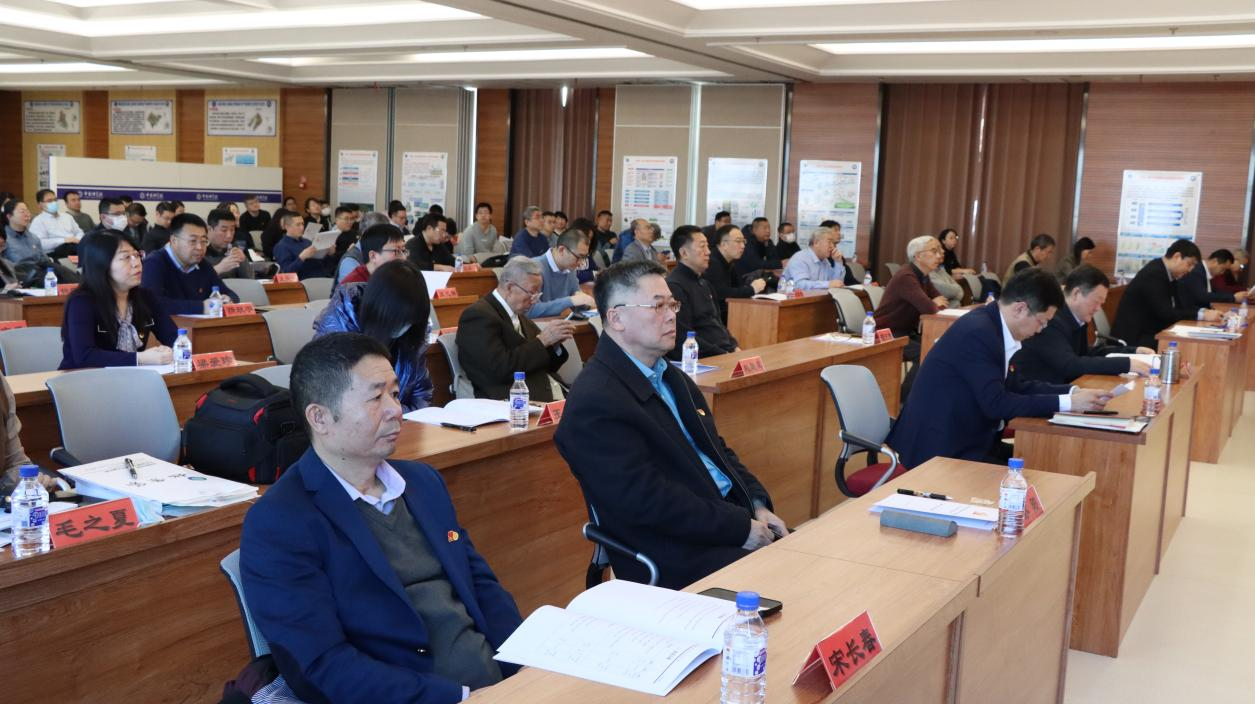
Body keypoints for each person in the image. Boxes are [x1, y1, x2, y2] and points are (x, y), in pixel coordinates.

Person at [240, 332, 523, 704]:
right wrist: (460, 696)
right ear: (320, 418)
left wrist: (523, 666)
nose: (396, 410)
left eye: (395, 393)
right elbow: (322, 666)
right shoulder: (280, 521)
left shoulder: (423, 482)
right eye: (376, 398)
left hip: (501, 686)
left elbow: (482, 586)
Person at [554, 259, 784, 588]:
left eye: (672, 304)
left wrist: (757, 504)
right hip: (675, 552)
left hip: (722, 522)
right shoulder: (596, 400)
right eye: (657, 306)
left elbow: (717, 451)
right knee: (795, 584)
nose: (671, 315)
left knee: (818, 559)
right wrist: (739, 527)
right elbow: (648, 501)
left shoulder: (670, 376)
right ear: (616, 318)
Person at [887, 268, 1112, 468]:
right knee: (1034, 475)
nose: (1042, 329)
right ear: (1020, 309)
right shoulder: (979, 333)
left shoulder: (995, 325)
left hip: (971, 438)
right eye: (1042, 321)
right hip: (940, 449)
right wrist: (1069, 404)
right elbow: (996, 403)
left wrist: (1073, 393)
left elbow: (1017, 386)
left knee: (1045, 462)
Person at [313, 260, 434, 412]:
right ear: (380, 311)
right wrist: (392, 414)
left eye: (410, 321)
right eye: (400, 320)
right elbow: (335, 404)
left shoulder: (410, 337)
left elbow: (421, 395)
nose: (405, 327)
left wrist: (399, 416)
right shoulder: (337, 338)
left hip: (399, 423)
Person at [1013, 265, 1154, 385]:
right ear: (1076, 293)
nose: (1098, 309)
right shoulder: (1051, 319)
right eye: (1096, 302)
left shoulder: (1073, 317)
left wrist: (1132, 351)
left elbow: (1084, 353)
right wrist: (1127, 364)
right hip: (1039, 394)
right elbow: (1070, 365)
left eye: (1101, 304)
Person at [456, 256, 572, 402]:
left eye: (538, 294)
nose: (535, 300)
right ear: (510, 287)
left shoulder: (519, 315)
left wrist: (553, 344)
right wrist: (542, 341)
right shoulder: (478, 316)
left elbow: (546, 365)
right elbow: (498, 369)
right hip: (516, 402)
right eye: (531, 293)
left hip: (554, 391)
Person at [60, 230, 176, 370]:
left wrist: (170, 351)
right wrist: (140, 358)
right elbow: (85, 356)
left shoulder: (146, 297)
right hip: (81, 379)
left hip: (129, 378)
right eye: (126, 257)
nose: (137, 263)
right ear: (101, 264)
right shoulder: (81, 302)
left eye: (137, 255)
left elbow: (175, 338)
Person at [1112, 239, 1222, 349]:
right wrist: (1202, 315)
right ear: (1177, 257)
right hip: (1134, 339)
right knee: (1184, 347)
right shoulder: (1154, 274)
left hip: (1150, 331)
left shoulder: (1168, 273)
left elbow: (1180, 306)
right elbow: (1166, 313)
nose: (1190, 270)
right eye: (1189, 264)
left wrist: (1203, 312)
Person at [876, 235, 949, 400]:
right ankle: (905, 400)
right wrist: (932, 303)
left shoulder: (923, 276)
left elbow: (942, 303)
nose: (939, 255)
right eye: (934, 251)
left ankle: (925, 397)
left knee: (941, 349)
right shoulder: (906, 277)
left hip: (906, 331)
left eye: (939, 250)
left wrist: (933, 303)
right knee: (928, 353)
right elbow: (930, 307)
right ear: (918, 256)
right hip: (887, 333)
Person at [141, 213, 239, 314]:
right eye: (193, 241)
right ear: (174, 240)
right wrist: (201, 307)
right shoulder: (154, 263)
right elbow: (152, 303)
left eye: (204, 241)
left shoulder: (202, 264)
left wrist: (228, 299)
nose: (200, 247)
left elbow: (228, 292)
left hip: (201, 323)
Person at [666, 226, 738, 359]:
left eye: (708, 246)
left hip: (723, 353)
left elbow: (717, 323)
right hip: (701, 359)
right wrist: (723, 354)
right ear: (684, 253)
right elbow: (682, 335)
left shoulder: (705, 284)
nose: (708, 252)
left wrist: (734, 346)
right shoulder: (674, 286)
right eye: (702, 246)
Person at [526, 229, 596, 319]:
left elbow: (577, 302)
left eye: (584, 258)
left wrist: (586, 303)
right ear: (562, 250)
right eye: (579, 257)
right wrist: (569, 301)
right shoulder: (533, 267)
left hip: (557, 324)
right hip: (536, 325)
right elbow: (530, 311)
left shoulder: (570, 268)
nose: (581, 263)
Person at [2, 200, 77, 284]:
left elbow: (44, 259)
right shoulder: (4, 239)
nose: (27, 214)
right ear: (9, 216)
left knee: (64, 272)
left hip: (40, 270)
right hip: (21, 275)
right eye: (22, 212)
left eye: (27, 211)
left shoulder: (33, 238)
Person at [704, 224, 766, 322]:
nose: (743, 246)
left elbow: (738, 287)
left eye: (743, 241)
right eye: (738, 241)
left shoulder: (730, 262)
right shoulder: (712, 263)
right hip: (713, 318)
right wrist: (752, 289)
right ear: (724, 244)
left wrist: (751, 288)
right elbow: (721, 293)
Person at [937, 227, 998, 300]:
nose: (954, 240)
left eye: (955, 238)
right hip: (948, 282)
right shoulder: (941, 254)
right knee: (980, 282)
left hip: (956, 278)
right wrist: (963, 271)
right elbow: (946, 269)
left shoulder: (951, 252)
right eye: (951, 238)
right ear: (943, 241)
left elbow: (957, 267)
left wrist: (963, 271)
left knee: (987, 279)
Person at [1178, 247, 1248, 311]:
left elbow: (1216, 293)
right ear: (1215, 261)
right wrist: (1233, 297)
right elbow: (1203, 296)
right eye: (1223, 269)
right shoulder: (1197, 271)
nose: (1223, 273)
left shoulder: (1206, 272)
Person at [338, 224, 408, 287]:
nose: (404, 258)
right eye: (396, 251)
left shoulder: (397, 276)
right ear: (373, 256)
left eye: (403, 250)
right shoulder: (353, 287)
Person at [780, 226, 848, 289]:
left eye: (833, 243)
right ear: (816, 243)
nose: (832, 246)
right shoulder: (800, 258)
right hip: (791, 297)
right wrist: (827, 284)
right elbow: (799, 285)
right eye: (829, 242)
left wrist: (838, 262)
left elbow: (836, 283)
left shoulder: (824, 261)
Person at [275, 211, 337, 280]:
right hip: (306, 281)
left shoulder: (307, 241)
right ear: (287, 227)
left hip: (324, 276)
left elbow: (324, 264)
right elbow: (286, 273)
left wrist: (329, 254)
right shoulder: (282, 246)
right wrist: (301, 258)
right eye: (298, 225)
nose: (302, 228)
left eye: (302, 224)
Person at [28, 188, 82, 258]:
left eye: (55, 200)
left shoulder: (67, 217)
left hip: (74, 247)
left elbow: (79, 232)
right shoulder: (38, 221)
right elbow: (39, 243)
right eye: (49, 201)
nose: (54, 203)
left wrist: (77, 239)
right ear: (40, 205)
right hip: (53, 253)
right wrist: (64, 240)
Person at [203, 208, 251, 280]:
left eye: (232, 230)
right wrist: (218, 269)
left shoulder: (233, 247)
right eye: (224, 230)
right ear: (209, 229)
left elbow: (250, 280)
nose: (229, 235)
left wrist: (243, 260)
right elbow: (193, 282)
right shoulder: (200, 249)